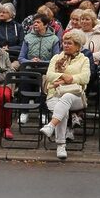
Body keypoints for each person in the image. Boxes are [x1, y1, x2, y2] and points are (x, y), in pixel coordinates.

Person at [39, 29, 90, 161]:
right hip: (54, 94)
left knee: (67, 97)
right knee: (63, 110)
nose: (66, 45)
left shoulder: (84, 59)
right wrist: (64, 76)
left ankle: (51, 126)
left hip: (76, 96)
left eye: (69, 43)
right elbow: (49, 75)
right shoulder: (56, 58)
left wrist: (70, 79)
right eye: (64, 43)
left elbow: (85, 78)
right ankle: (61, 146)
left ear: (78, 46)